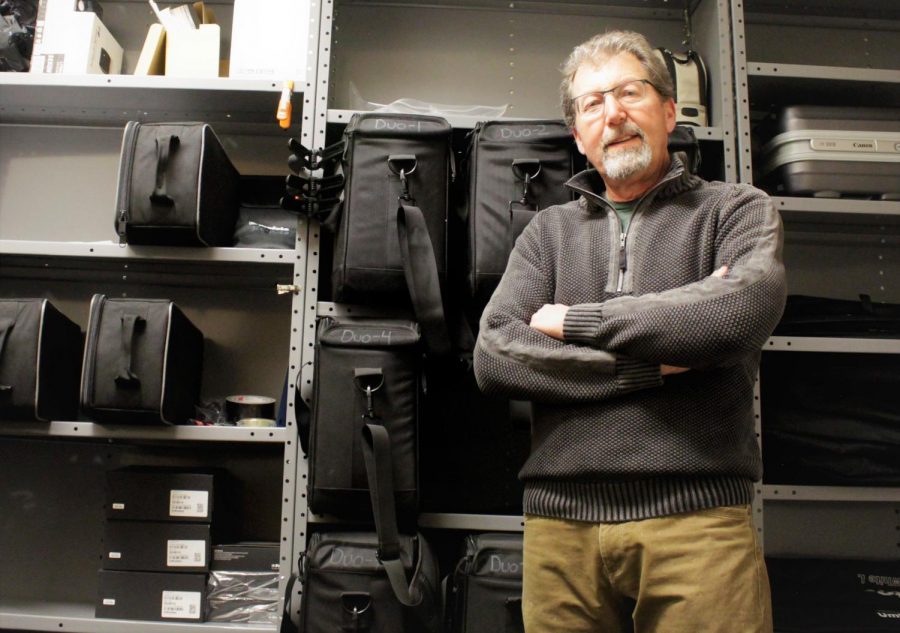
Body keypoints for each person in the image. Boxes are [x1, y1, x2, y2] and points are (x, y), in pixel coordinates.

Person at [473, 30, 786, 633]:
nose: (613, 114)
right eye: (592, 103)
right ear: (578, 134)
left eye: (629, 93)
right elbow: (495, 353)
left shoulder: (738, 209)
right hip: (560, 531)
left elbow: (737, 315)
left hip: (697, 524)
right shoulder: (547, 233)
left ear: (669, 110)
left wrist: (573, 321)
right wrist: (650, 360)